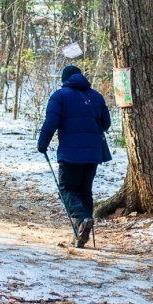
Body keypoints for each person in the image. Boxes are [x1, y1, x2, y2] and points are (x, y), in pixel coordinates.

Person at [37, 65, 112, 248]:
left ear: (65, 79)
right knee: (85, 190)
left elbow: (51, 121)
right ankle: (82, 231)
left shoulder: (60, 96)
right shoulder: (96, 96)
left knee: (67, 189)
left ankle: (83, 219)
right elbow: (106, 123)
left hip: (70, 153)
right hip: (93, 153)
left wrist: (42, 143)